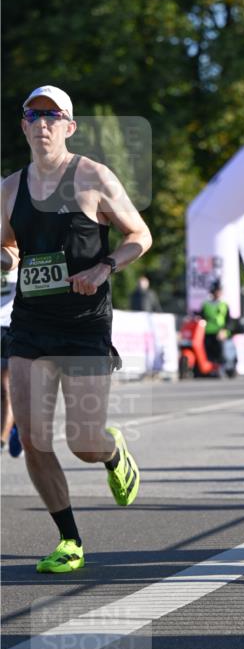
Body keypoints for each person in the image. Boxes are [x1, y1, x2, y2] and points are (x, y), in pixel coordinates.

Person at [0, 85, 152, 573]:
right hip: (30, 324)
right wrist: (7, 259)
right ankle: (69, 539)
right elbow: (7, 248)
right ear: (23, 125)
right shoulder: (9, 189)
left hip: (85, 324)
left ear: (69, 126)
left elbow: (140, 235)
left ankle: (111, 452)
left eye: (53, 116)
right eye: (33, 115)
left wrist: (104, 267)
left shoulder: (93, 176)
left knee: (83, 442)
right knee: (35, 437)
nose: (42, 124)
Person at [1, 265, 22, 456]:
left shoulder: (12, 250)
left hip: (10, 327)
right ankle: (16, 422)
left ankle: (2, 439)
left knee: (6, 385)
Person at [200, 279, 236, 377]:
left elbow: (229, 321)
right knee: (207, 351)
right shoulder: (206, 305)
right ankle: (210, 369)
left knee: (223, 350)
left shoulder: (224, 305)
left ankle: (223, 368)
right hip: (208, 332)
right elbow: (201, 317)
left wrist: (224, 331)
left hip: (220, 332)